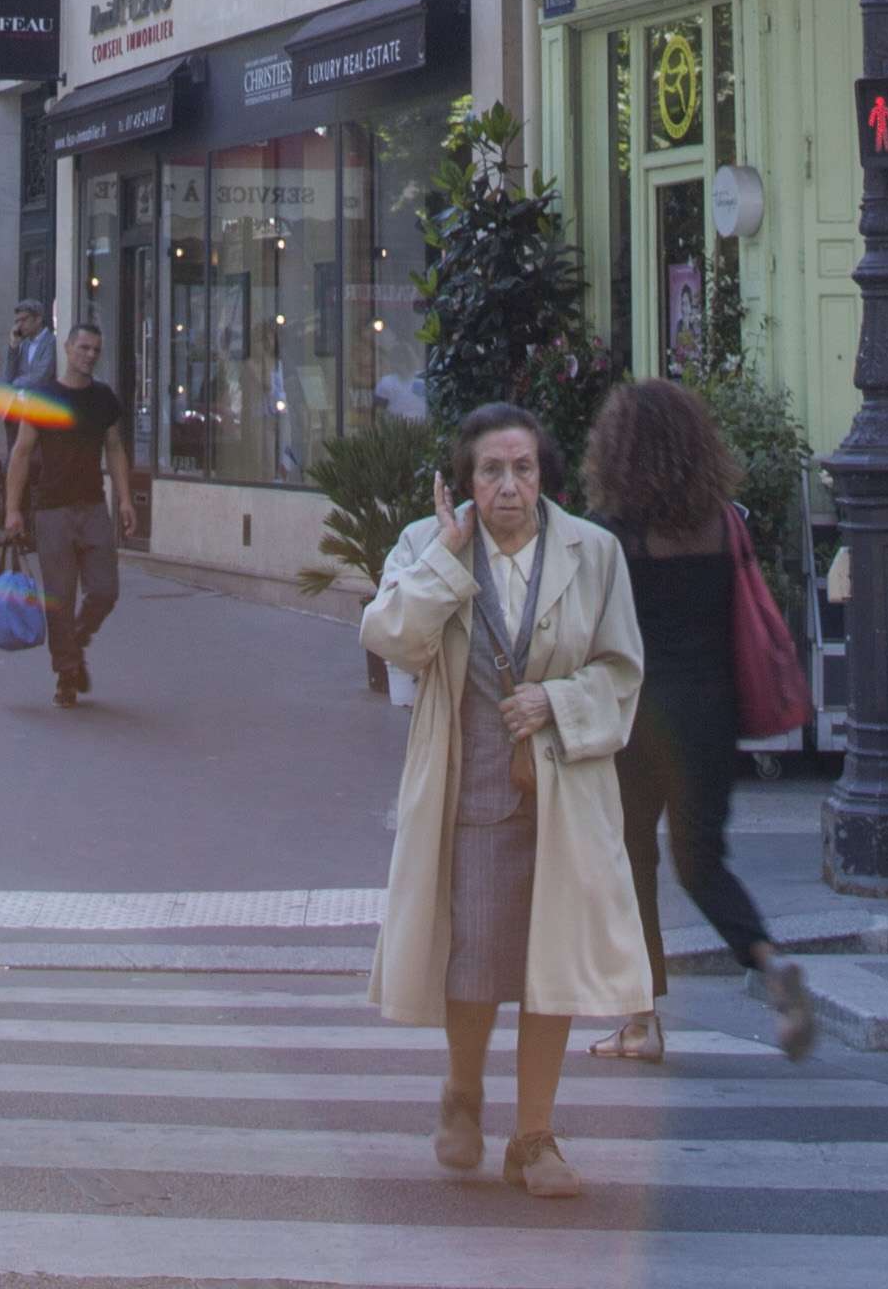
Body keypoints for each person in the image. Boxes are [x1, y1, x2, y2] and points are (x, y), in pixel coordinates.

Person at [360, 401, 646, 1200]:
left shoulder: (595, 553)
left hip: (564, 792)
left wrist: (556, 701)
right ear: (467, 481)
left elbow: (622, 671)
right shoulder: (427, 544)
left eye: (522, 468)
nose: (509, 485)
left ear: (543, 475)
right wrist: (448, 565)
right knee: (475, 963)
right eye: (491, 470)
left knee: (552, 964)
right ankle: (461, 1090)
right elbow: (386, 638)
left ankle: (535, 1136)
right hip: (473, 790)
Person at [579, 376, 817, 1061]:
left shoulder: (610, 537)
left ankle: (640, 1020)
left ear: (617, 450)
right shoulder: (725, 523)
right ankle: (769, 962)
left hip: (635, 716)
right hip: (711, 713)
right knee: (702, 861)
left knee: (632, 862)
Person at [0, 320, 142, 704]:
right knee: (59, 596)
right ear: (67, 348)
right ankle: (66, 674)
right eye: (84, 348)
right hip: (52, 511)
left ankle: (74, 643)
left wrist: (125, 499)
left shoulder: (103, 398)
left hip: (93, 506)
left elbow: (114, 448)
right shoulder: (42, 396)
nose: (90, 355)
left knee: (105, 590)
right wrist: (12, 510)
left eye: (96, 350)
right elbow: (22, 453)